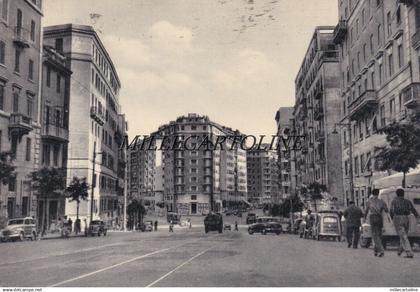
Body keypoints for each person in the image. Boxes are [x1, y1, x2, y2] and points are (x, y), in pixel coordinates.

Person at [390, 188, 419, 258]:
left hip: (397, 218)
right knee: (404, 235)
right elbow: (413, 210)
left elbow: (391, 210)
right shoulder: (407, 201)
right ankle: (400, 250)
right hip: (406, 218)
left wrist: (391, 218)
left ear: (396, 194)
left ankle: (409, 253)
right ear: (403, 194)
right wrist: (418, 217)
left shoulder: (394, 201)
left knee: (403, 236)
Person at [365, 189, 389, 257]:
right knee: (379, 235)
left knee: (374, 235)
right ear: (378, 194)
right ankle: (376, 250)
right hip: (379, 218)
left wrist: (364, 218)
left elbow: (366, 210)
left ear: (372, 193)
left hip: (373, 217)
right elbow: (386, 210)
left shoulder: (369, 201)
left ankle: (381, 250)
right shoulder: (381, 201)